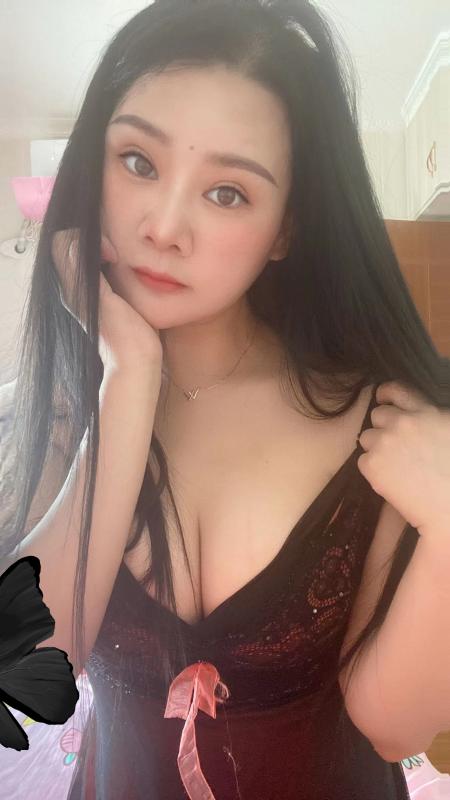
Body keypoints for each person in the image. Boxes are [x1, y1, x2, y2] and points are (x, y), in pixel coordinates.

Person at [1, 1, 448, 798]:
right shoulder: (64, 409)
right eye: (137, 161)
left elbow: (394, 727)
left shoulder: (376, 416)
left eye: (228, 193)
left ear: (286, 230)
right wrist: (125, 383)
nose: (164, 227)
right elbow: (34, 664)